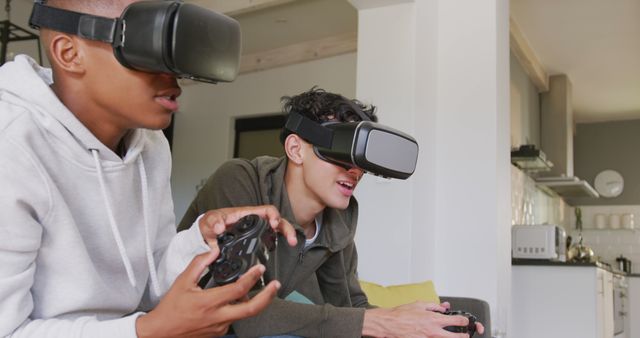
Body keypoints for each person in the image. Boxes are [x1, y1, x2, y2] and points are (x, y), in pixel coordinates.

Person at [0, 1, 298, 337]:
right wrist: (149, 330)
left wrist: (201, 238)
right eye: (147, 47)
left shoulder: (152, 145)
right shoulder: (10, 145)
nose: (174, 78)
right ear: (69, 53)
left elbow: (149, 281)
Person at [179, 87, 485, 338]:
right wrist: (379, 323)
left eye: (359, 160)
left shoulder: (337, 222)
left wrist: (417, 323)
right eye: (341, 154)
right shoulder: (241, 182)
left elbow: (349, 307)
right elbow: (242, 311)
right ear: (296, 149)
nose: (354, 170)